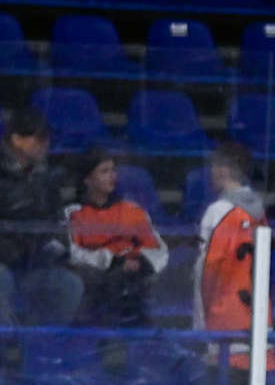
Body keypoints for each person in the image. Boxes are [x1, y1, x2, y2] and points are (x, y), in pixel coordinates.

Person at [64, 147, 168, 328]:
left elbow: (157, 248)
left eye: (113, 170)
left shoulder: (131, 209)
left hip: (135, 279)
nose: (112, 176)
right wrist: (114, 261)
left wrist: (140, 263)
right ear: (87, 179)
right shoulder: (72, 213)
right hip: (95, 283)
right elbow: (74, 253)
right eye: (104, 171)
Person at [0, 107, 83, 329]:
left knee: (69, 284)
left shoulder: (46, 179)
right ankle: (6, 345)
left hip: (32, 262)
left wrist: (60, 250)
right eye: (39, 138)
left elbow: (55, 220)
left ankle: (42, 344)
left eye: (47, 138)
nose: (46, 144)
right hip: (4, 262)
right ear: (17, 140)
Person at [193, 141, 272, 371]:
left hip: (225, 317)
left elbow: (206, 271)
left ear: (223, 170)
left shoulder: (218, 212)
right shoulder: (258, 210)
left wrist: (201, 325)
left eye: (213, 166)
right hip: (257, 316)